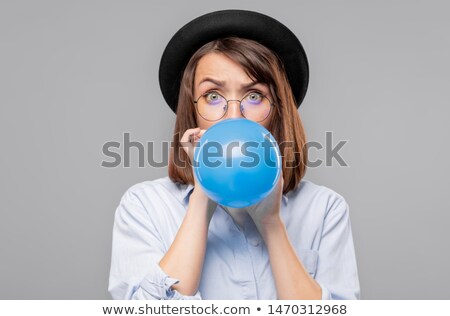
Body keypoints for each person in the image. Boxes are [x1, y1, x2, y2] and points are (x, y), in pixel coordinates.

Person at [108, 10, 360, 300]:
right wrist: (204, 193)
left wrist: (272, 224)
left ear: (278, 112)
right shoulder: (145, 206)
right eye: (213, 96)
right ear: (192, 112)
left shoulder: (325, 209)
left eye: (254, 96)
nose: (233, 115)